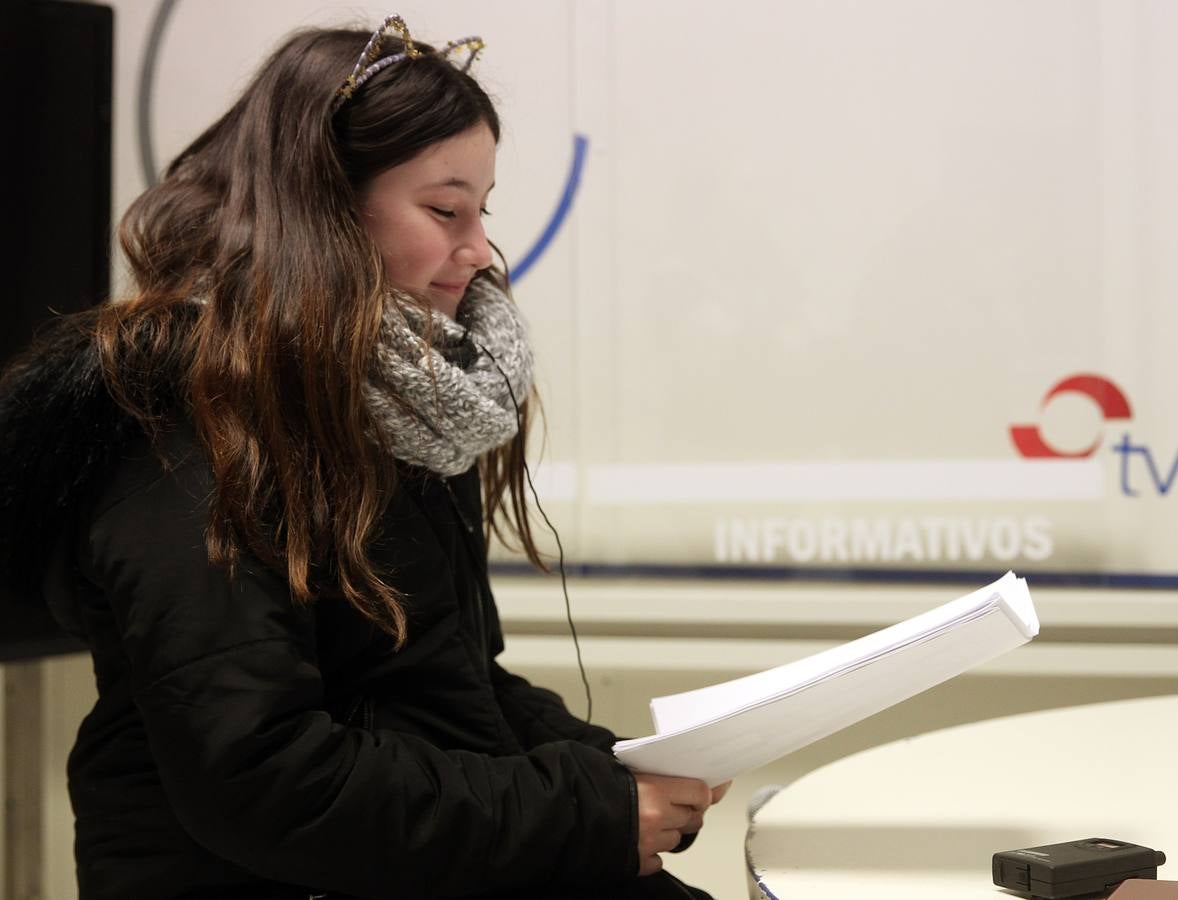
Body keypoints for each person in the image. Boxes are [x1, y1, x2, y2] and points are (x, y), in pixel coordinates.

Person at [0, 16, 725, 900]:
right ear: (325, 205)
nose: (477, 252)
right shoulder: (179, 417)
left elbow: (446, 686)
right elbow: (267, 779)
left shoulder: (392, 397)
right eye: (444, 210)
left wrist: (620, 771)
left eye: (481, 211)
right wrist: (590, 809)